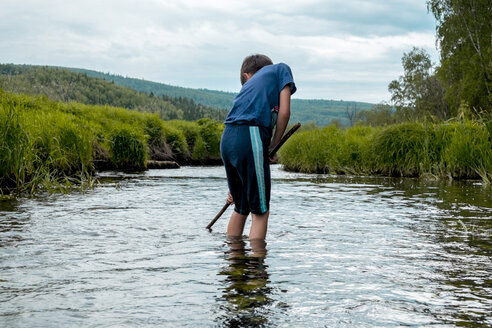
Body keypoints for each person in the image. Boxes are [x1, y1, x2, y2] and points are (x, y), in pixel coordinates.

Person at [220, 54, 296, 240]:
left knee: (241, 206)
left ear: (247, 76)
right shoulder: (281, 69)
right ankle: (256, 266)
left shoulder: (253, 90)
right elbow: (284, 113)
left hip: (228, 137)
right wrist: (273, 146)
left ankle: (235, 261)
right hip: (250, 134)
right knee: (261, 212)